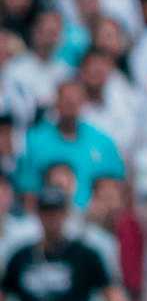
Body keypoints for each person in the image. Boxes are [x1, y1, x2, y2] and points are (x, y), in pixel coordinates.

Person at [2, 182, 129, 301]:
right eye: (47, 211)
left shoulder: (85, 255)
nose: (52, 217)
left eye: (57, 211)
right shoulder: (21, 257)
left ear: (66, 213)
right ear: (38, 214)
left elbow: (115, 298)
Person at [19, 79, 124, 208]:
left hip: (94, 220)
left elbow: (119, 189)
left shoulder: (103, 141)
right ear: (56, 103)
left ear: (83, 103)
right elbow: (29, 192)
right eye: (66, 101)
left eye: (75, 101)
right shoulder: (36, 140)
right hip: (53, 217)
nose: (70, 106)